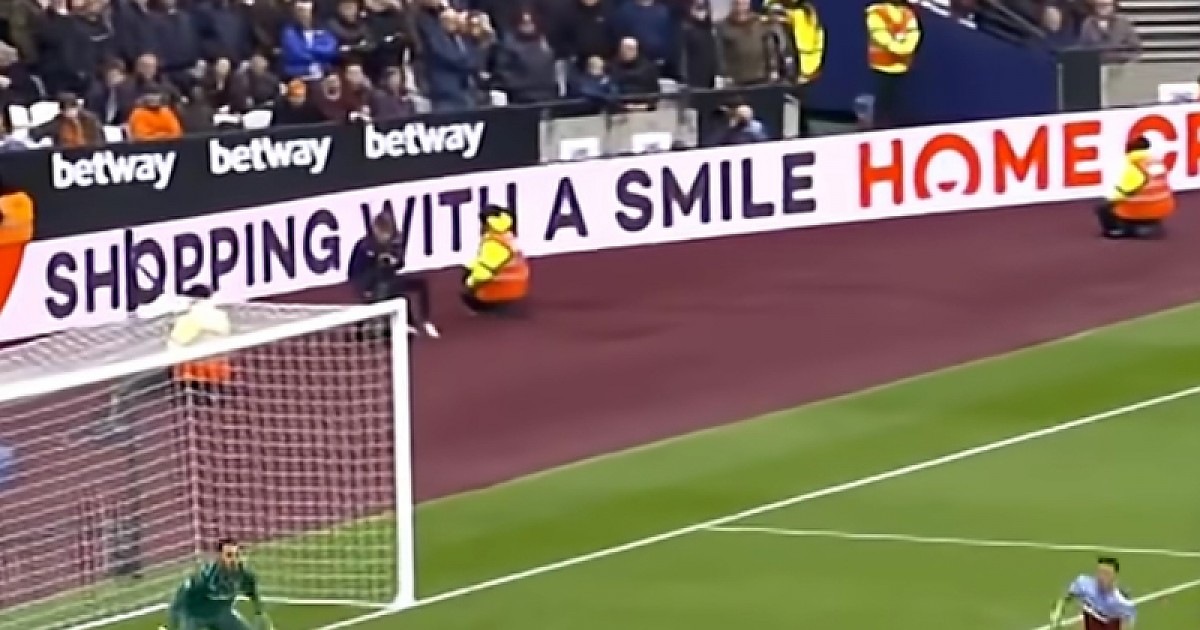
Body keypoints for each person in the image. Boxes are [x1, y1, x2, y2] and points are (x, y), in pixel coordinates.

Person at [348, 211, 439, 338]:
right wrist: (377, 266)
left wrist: (393, 261)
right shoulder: (365, 246)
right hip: (368, 282)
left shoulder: (394, 242)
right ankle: (388, 324)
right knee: (393, 293)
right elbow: (354, 272)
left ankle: (424, 321)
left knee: (419, 285)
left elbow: (400, 263)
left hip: (389, 280)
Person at [158, 538, 271, 630]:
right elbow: (180, 598)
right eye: (229, 555)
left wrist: (259, 612)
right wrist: (171, 626)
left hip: (221, 614)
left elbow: (252, 592)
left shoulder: (244, 575)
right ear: (220, 557)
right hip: (196, 616)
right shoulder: (205, 577)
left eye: (237, 555)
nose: (234, 559)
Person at [1095, 136, 1175, 239]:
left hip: (1142, 207)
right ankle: (1151, 221)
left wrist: (1110, 201)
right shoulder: (1155, 162)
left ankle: (1115, 231)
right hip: (1164, 205)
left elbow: (1123, 192)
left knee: (1103, 207)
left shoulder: (1135, 167)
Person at [168, 285, 233, 406]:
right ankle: (215, 394)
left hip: (196, 367)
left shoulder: (189, 318)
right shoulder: (220, 315)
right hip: (218, 363)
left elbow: (178, 340)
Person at [462, 205, 529, 316]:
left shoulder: (493, 243)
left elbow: (485, 271)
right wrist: (470, 267)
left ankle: (489, 307)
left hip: (502, 290)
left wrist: (469, 283)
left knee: (470, 291)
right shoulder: (506, 235)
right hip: (517, 287)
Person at [865, 0, 920, 129]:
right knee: (882, 107)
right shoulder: (877, 12)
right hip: (882, 68)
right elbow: (879, 35)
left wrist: (906, 48)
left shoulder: (907, 13)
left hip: (902, 68)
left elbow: (914, 34)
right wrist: (900, 49)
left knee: (899, 107)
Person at [1050, 557, 1135, 629]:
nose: (1102, 577)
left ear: (1115, 576)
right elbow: (1067, 597)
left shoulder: (1121, 599)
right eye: (1100, 572)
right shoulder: (1083, 584)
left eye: (1106, 574)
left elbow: (1126, 624)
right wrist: (1059, 610)